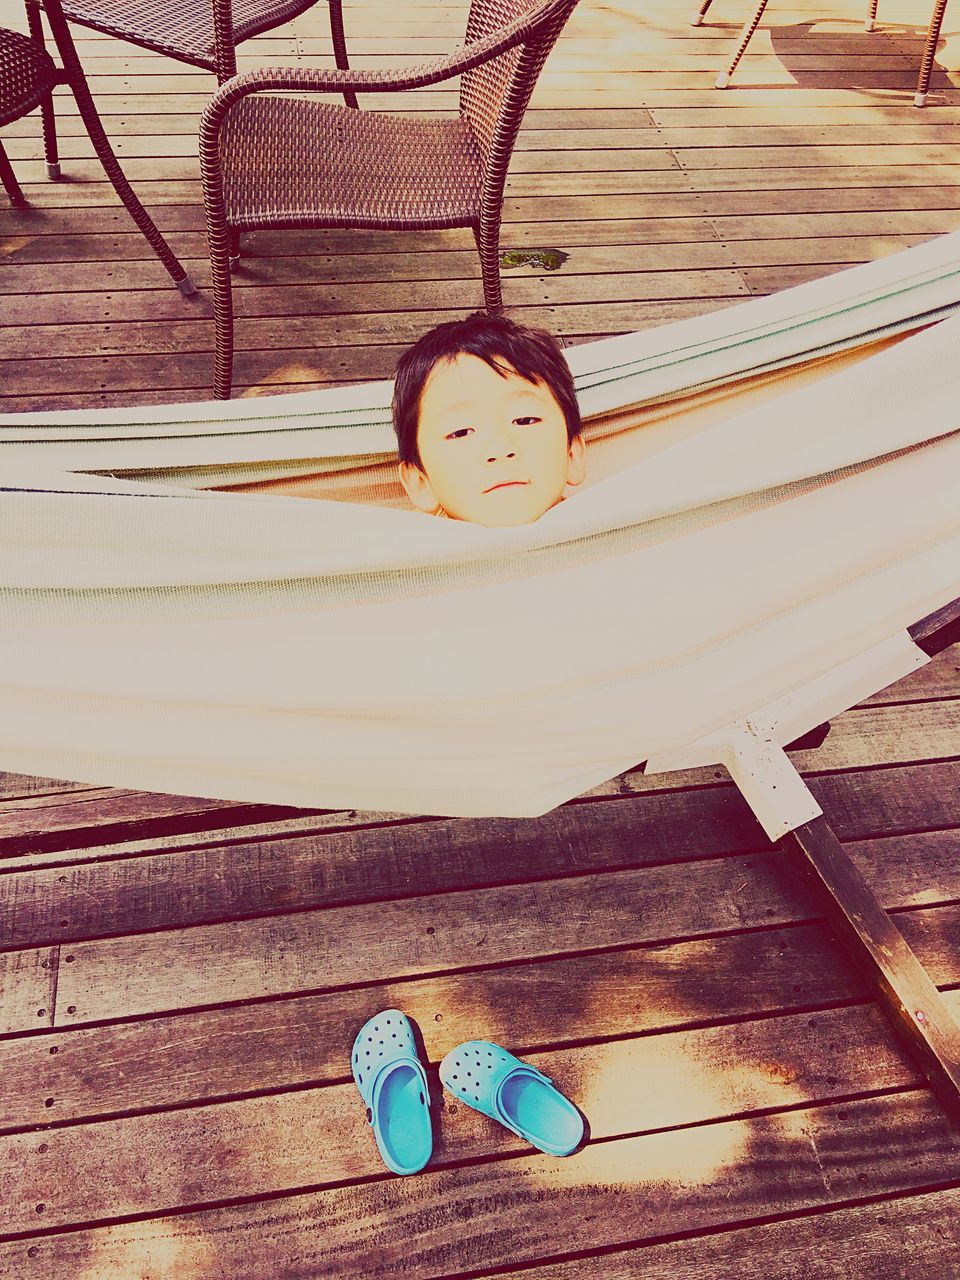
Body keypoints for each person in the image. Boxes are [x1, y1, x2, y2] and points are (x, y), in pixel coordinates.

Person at [391, 313, 586, 527]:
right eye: (461, 432)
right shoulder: (402, 553)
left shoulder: (617, 533)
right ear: (420, 482)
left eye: (525, 420)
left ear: (572, 455)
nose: (499, 449)